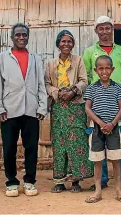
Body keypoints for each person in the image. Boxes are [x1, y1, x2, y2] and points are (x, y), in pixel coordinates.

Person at [83, 15, 121, 190]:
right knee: (98, 141)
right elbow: (87, 77)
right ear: (96, 31)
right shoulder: (89, 52)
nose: (105, 31)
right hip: (98, 102)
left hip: (119, 102)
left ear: (112, 30)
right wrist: (90, 100)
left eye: (108, 28)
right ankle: (103, 179)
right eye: (101, 28)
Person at [0, 23, 48, 197]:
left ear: (28, 37)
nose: (21, 38)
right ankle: (11, 182)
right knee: (9, 148)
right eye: (18, 35)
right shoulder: (1, 58)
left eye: (24, 35)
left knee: (31, 147)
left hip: (31, 109)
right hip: (9, 110)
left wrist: (42, 106)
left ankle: (30, 181)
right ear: (12, 37)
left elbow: (41, 84)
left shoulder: (36, 58)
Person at [46, 30, 93, 193]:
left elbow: (84, 81)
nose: (66, 44)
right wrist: (57, 93)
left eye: (69, 41)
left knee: (77, 142)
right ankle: (59, 181)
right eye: (63, 41)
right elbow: (47, 83)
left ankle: (75, 181)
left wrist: (72, 91)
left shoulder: (78, 60)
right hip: (58, 106)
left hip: (75, 106)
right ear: (58, 44)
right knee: (60, 143)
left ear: (73, 44)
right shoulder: (51, 63)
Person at [84, 55, 121, 204]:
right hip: (97, 129)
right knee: (97, 160)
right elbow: (87, 107)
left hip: (114, 128)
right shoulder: (92, 88)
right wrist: (99, 122)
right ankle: (98, 190)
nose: (104, 71)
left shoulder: (118, 87)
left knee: (116, 159)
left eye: (107, 68)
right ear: (95, 70)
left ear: (112, 69)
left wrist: (112, 123)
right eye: (101, 68)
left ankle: (118, 190)